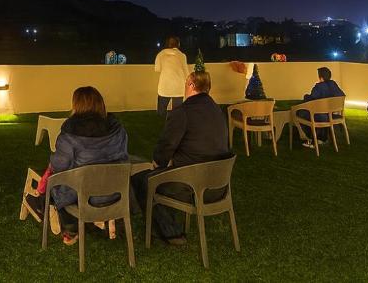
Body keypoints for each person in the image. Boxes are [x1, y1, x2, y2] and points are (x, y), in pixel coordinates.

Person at [131, 71, 230, 246]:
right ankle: (166, 225)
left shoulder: (183, 111)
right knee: (156, 176)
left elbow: (166, 145)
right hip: (218, 184)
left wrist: (158, 163)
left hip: (191, 184)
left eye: (186, 83)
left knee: (143, 180)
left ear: (191, 85)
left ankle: (170, 233)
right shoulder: (217, 110)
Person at [24, 87, 128, 245]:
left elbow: (58, 165)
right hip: (115, 194)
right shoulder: (117, 129)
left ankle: (70, 228)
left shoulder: (70, 133)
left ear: (76, 105)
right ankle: (103, 222)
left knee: (58, 183)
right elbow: (123, 156)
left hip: (83, 195)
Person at [296, 66, 345, 148]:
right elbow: (341, 96)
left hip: (322, 116)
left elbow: (312, 99)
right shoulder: (334, 85)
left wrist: (305, 97)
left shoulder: (318, 87)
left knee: (300, 114)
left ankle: (313, 139)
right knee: (320, 115)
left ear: (321, 77)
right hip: (331, 114)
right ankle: (322, 138)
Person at [154, 36, 189, 117]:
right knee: (177, 111)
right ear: (178, 44)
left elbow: (157, 69)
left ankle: (161, 120)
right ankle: (175, 121)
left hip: (164, 86)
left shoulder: (160, 54)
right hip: (178, 86)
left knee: (161, 111)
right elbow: (186, 71)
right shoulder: (182, 55)